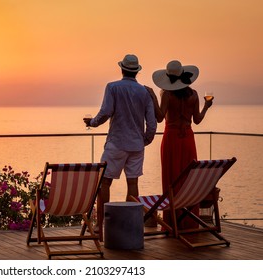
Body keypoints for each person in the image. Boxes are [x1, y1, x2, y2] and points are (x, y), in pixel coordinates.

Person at [83, 54, 157, 231]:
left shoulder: (113, 87)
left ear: (122, 69)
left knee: (105, 183)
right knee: (133, 183)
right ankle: (130, 226)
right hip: (137, 146)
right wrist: (144, 140)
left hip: (116, 144)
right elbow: (152, 123)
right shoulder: (144, 92)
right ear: (136, 72)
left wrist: (92, 123)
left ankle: (101, 225)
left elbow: (106, 111)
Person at [147, 60, 213, 229]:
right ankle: (189, 221)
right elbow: (197, 120)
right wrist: (206, 106)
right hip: (188, 140)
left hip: (171, 139)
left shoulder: (167, 94)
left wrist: (153, 97)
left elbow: (160, 117)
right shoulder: (194, 94)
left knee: (172, 179)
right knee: (188, 179)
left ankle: (173, 223)